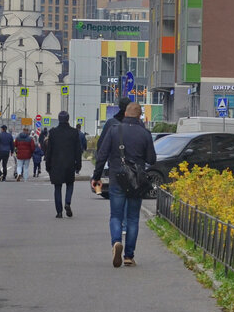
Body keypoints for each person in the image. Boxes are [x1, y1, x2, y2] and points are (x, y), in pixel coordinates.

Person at [92, 101, 156, 268]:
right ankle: (128, 256)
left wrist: (96, 176)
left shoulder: (114, 130)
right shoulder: (145, 133)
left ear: (125, 114)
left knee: (116, 216)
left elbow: (102, 155)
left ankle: (116, 242)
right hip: (136, 181)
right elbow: (152, 159)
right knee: (133, 218)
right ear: (140, 116)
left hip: (117, 178)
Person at [45, 111, 84, 218]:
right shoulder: (74, 132)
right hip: (69, 164)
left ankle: (59, 211)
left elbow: (49, 150)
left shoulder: (53, 132)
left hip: (56, 164)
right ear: (68, 119)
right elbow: (78, 150)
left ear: (58, 119)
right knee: (70, 184)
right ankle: (67, 202)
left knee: (57, 187)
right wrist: (78, 165)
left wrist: (47, 164)